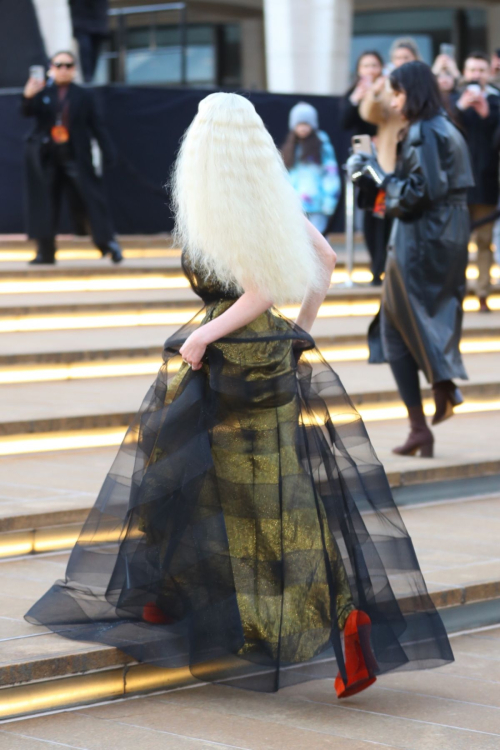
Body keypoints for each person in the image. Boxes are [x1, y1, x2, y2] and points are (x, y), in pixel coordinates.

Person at [24, 93, 453, 700]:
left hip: (230, 362)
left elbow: (255, 289)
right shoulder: (270, 197)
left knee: (210, 484)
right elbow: (323, 261)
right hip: (263, 359)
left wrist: (203, 333)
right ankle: (316, 618)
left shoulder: (223, 205)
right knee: (266, 491)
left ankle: (179, 601)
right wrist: (296, 330)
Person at [350, 62, 474, 457]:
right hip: (444, 235)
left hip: (422, 238)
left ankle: (433, 402)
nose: (394, 100)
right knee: (407, 322)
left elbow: (423, 191)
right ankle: (431, 405)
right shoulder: (445, 125)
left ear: (414, 92)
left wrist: (373, 175)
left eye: (399, 93)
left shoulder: (423, 131)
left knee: (396, 326)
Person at [21, 50, 122, 264]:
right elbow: (27, 112)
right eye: (59, 65)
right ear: (51, 68)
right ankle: (45, 251)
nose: (63, 69)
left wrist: (108, 151)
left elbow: (97, 126)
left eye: (68, 65)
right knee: (46, 203)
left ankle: (107, 244)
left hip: (75, 156)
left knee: (91, 200)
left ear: (74, 69)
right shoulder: (42, 92)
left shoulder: (84, 95)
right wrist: (28, 95)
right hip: (48, 157)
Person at [455, 52, 500, 312]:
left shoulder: (495, 103)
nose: (476, 75)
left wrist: (486, 115)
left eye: (481, 70)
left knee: (484, 242)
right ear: (465, 71)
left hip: (486, 183)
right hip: (458, 187)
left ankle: (483, 292)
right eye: (472, 70)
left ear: (488, 73)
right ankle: (456, 293)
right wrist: (460, 107)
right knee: (457, 244)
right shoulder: (452, 101)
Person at [341, 50, 391, 285]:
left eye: (374, 65)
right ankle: (375, 266)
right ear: (359, 70)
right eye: (365, 65)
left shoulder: (388, 91)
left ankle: (384, 265)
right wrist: (356, 99)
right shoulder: (353, 93)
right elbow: (344, 122)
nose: (370, 70)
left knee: (387, 213)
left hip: (388, 158)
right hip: (365, 162)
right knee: (370, 213)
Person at [359, 37, 421, 174]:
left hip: (417, 151)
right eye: (397, 57)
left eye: (406, 57)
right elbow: (369, 115)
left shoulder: (423, 85)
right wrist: (375, 94)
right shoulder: (386, 85)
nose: (401, 61)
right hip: (390, 154)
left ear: (416, 59)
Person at [282, 102, 341, 234]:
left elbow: (331, 174)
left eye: (306, 124)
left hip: (317, 206)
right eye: (299, 124)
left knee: (317, 242)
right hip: (295, 205)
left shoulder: (322, 145)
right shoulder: (291, 147)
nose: (303, 128)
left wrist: (329, 202)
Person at [69, 0, 110, 83]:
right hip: (81, 22)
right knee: (85, 49)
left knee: (95, 53)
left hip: (98, 22)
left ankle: (90, 78)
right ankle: (87, 78)